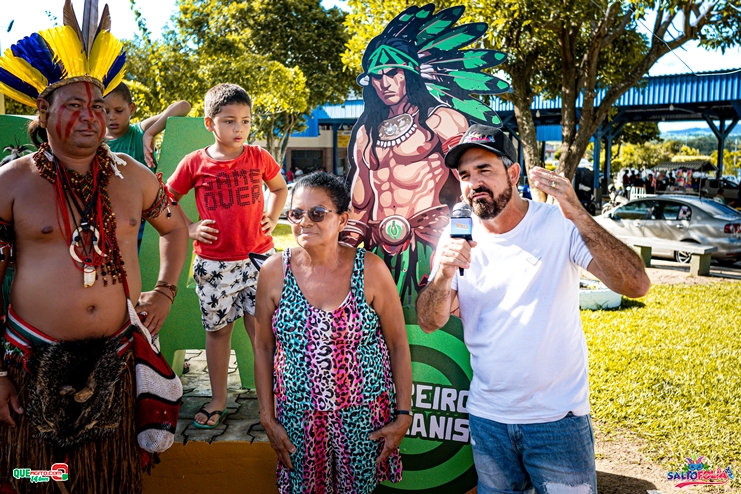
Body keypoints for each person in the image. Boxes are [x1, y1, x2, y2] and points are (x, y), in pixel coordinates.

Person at [0, 6, 188, 493]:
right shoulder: (13, 182)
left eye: (99, 107)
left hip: (117, 361)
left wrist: (165, 291)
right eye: (74, 106)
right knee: (31, 477)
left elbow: (176, 230)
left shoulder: (133, 175)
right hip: (29, 361)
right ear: (44, 112)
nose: (91, 117)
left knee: (109, 480)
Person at [416, 124, 650, 494]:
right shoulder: (456, 235)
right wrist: (444, 275)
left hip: (557, 420)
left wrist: (578, 213)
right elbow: (429, 322)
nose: (473, 183)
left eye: (484, 170)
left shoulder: (559, 224)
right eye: (465, 175)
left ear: (513, 173)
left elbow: (636, 284)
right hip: (488, 420)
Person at [254, 172, 412, 493]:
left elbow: (397, 344)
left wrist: (403, 415)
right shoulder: (273, 272)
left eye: (317, 213)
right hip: (298, 421)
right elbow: (263, 348)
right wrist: (268, 419)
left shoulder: (370, 270)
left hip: (364, 420)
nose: (305, 221)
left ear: (342, 220)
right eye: (296, 213)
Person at [344, 4, 510, 306]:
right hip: (377, 247)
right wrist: (343, 250)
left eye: (393, 73)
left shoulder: (441, 120)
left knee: (439, 321)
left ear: (409, 74)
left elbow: (467, 187)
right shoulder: (366, 133)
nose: (385, 83)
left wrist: (461, 237)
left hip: (432, 241)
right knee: (376, 322)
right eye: (377, 76)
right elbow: (361, 201)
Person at [167, 83, 288, 428]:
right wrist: (189, 227)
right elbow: (167, 197)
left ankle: (272, 400)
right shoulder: (195, 162)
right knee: (218, 332)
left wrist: (273, 215)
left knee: (263, 333)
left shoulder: (258, 157)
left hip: (259, 261)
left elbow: (279, 188)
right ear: (210, 123)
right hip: (214, 265)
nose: (240, 128)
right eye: (230, 121)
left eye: (246, 121)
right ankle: (218, 399)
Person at [105, 82, 191, 250]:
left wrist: (150, 133)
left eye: (118, 110)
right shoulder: (97, 143)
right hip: (116, 220)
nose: (111, 117)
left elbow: (183, 106)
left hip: (150, 218)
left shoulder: (140, 131)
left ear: (132, 108)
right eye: (105, 111)